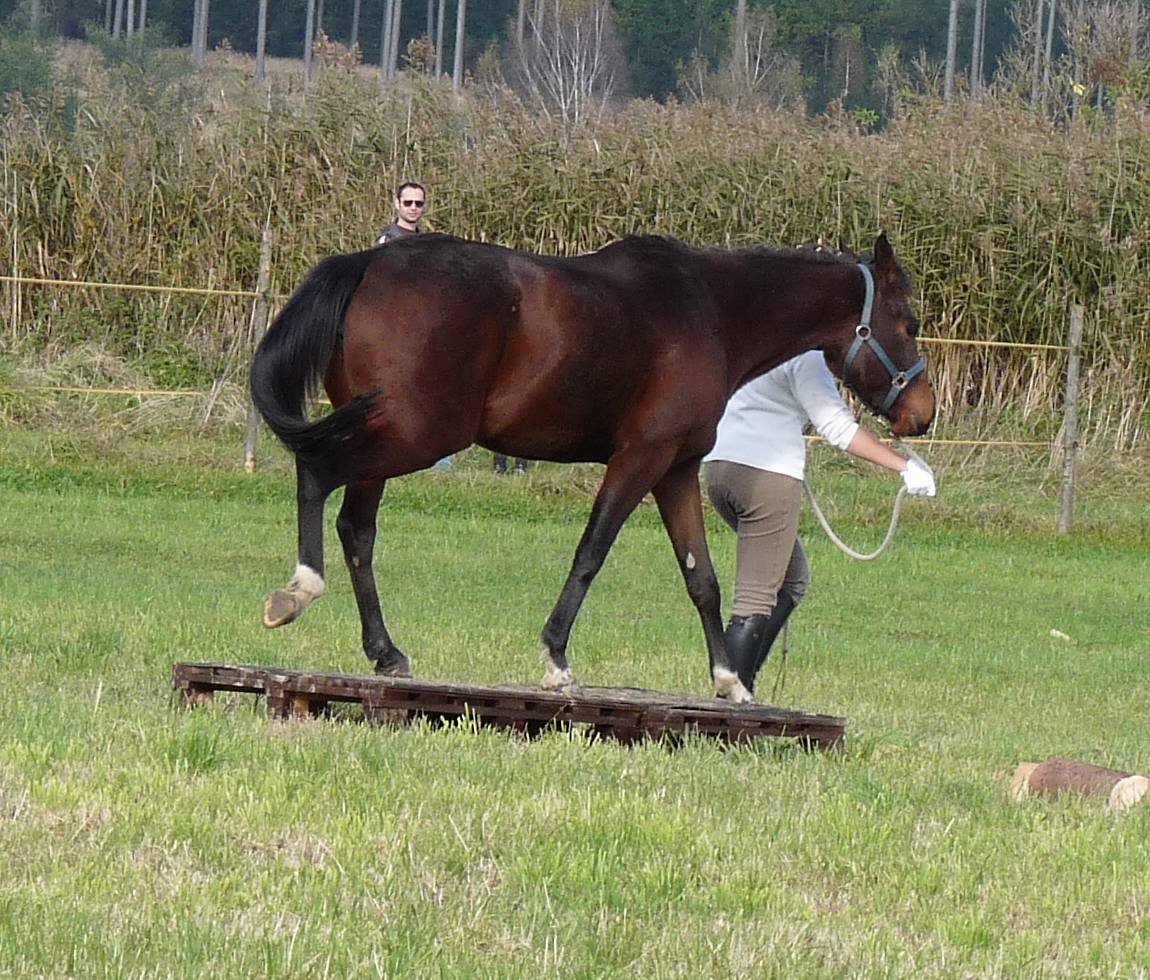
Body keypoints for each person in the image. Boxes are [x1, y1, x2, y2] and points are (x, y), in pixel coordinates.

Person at [703, 350, 936, 696]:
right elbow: (838, 429)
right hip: (767, 477)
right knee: (757, 596)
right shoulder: (806, 356)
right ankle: (730, 710)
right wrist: (904, 467)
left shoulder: (763, 330)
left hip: (721, 468)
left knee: (792, 579)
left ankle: (741, 687)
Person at [374, 181, 451, 472]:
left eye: (419, 204)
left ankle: (439, 461)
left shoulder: (429, 245)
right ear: (397, 204)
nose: (414, 209)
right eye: (408, 203)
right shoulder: (387, 242)